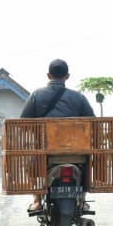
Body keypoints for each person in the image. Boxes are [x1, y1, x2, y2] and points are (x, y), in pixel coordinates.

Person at [20, 59, 95, 211]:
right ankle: (82, 200)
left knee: (31, 164)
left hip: (43, 150)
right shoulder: (79, 97)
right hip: (75, 150)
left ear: (48, 75)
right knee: (87, 162)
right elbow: (92, 122)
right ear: (67, 76)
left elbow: (24, 122)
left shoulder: (36, 95)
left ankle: (37, 201)